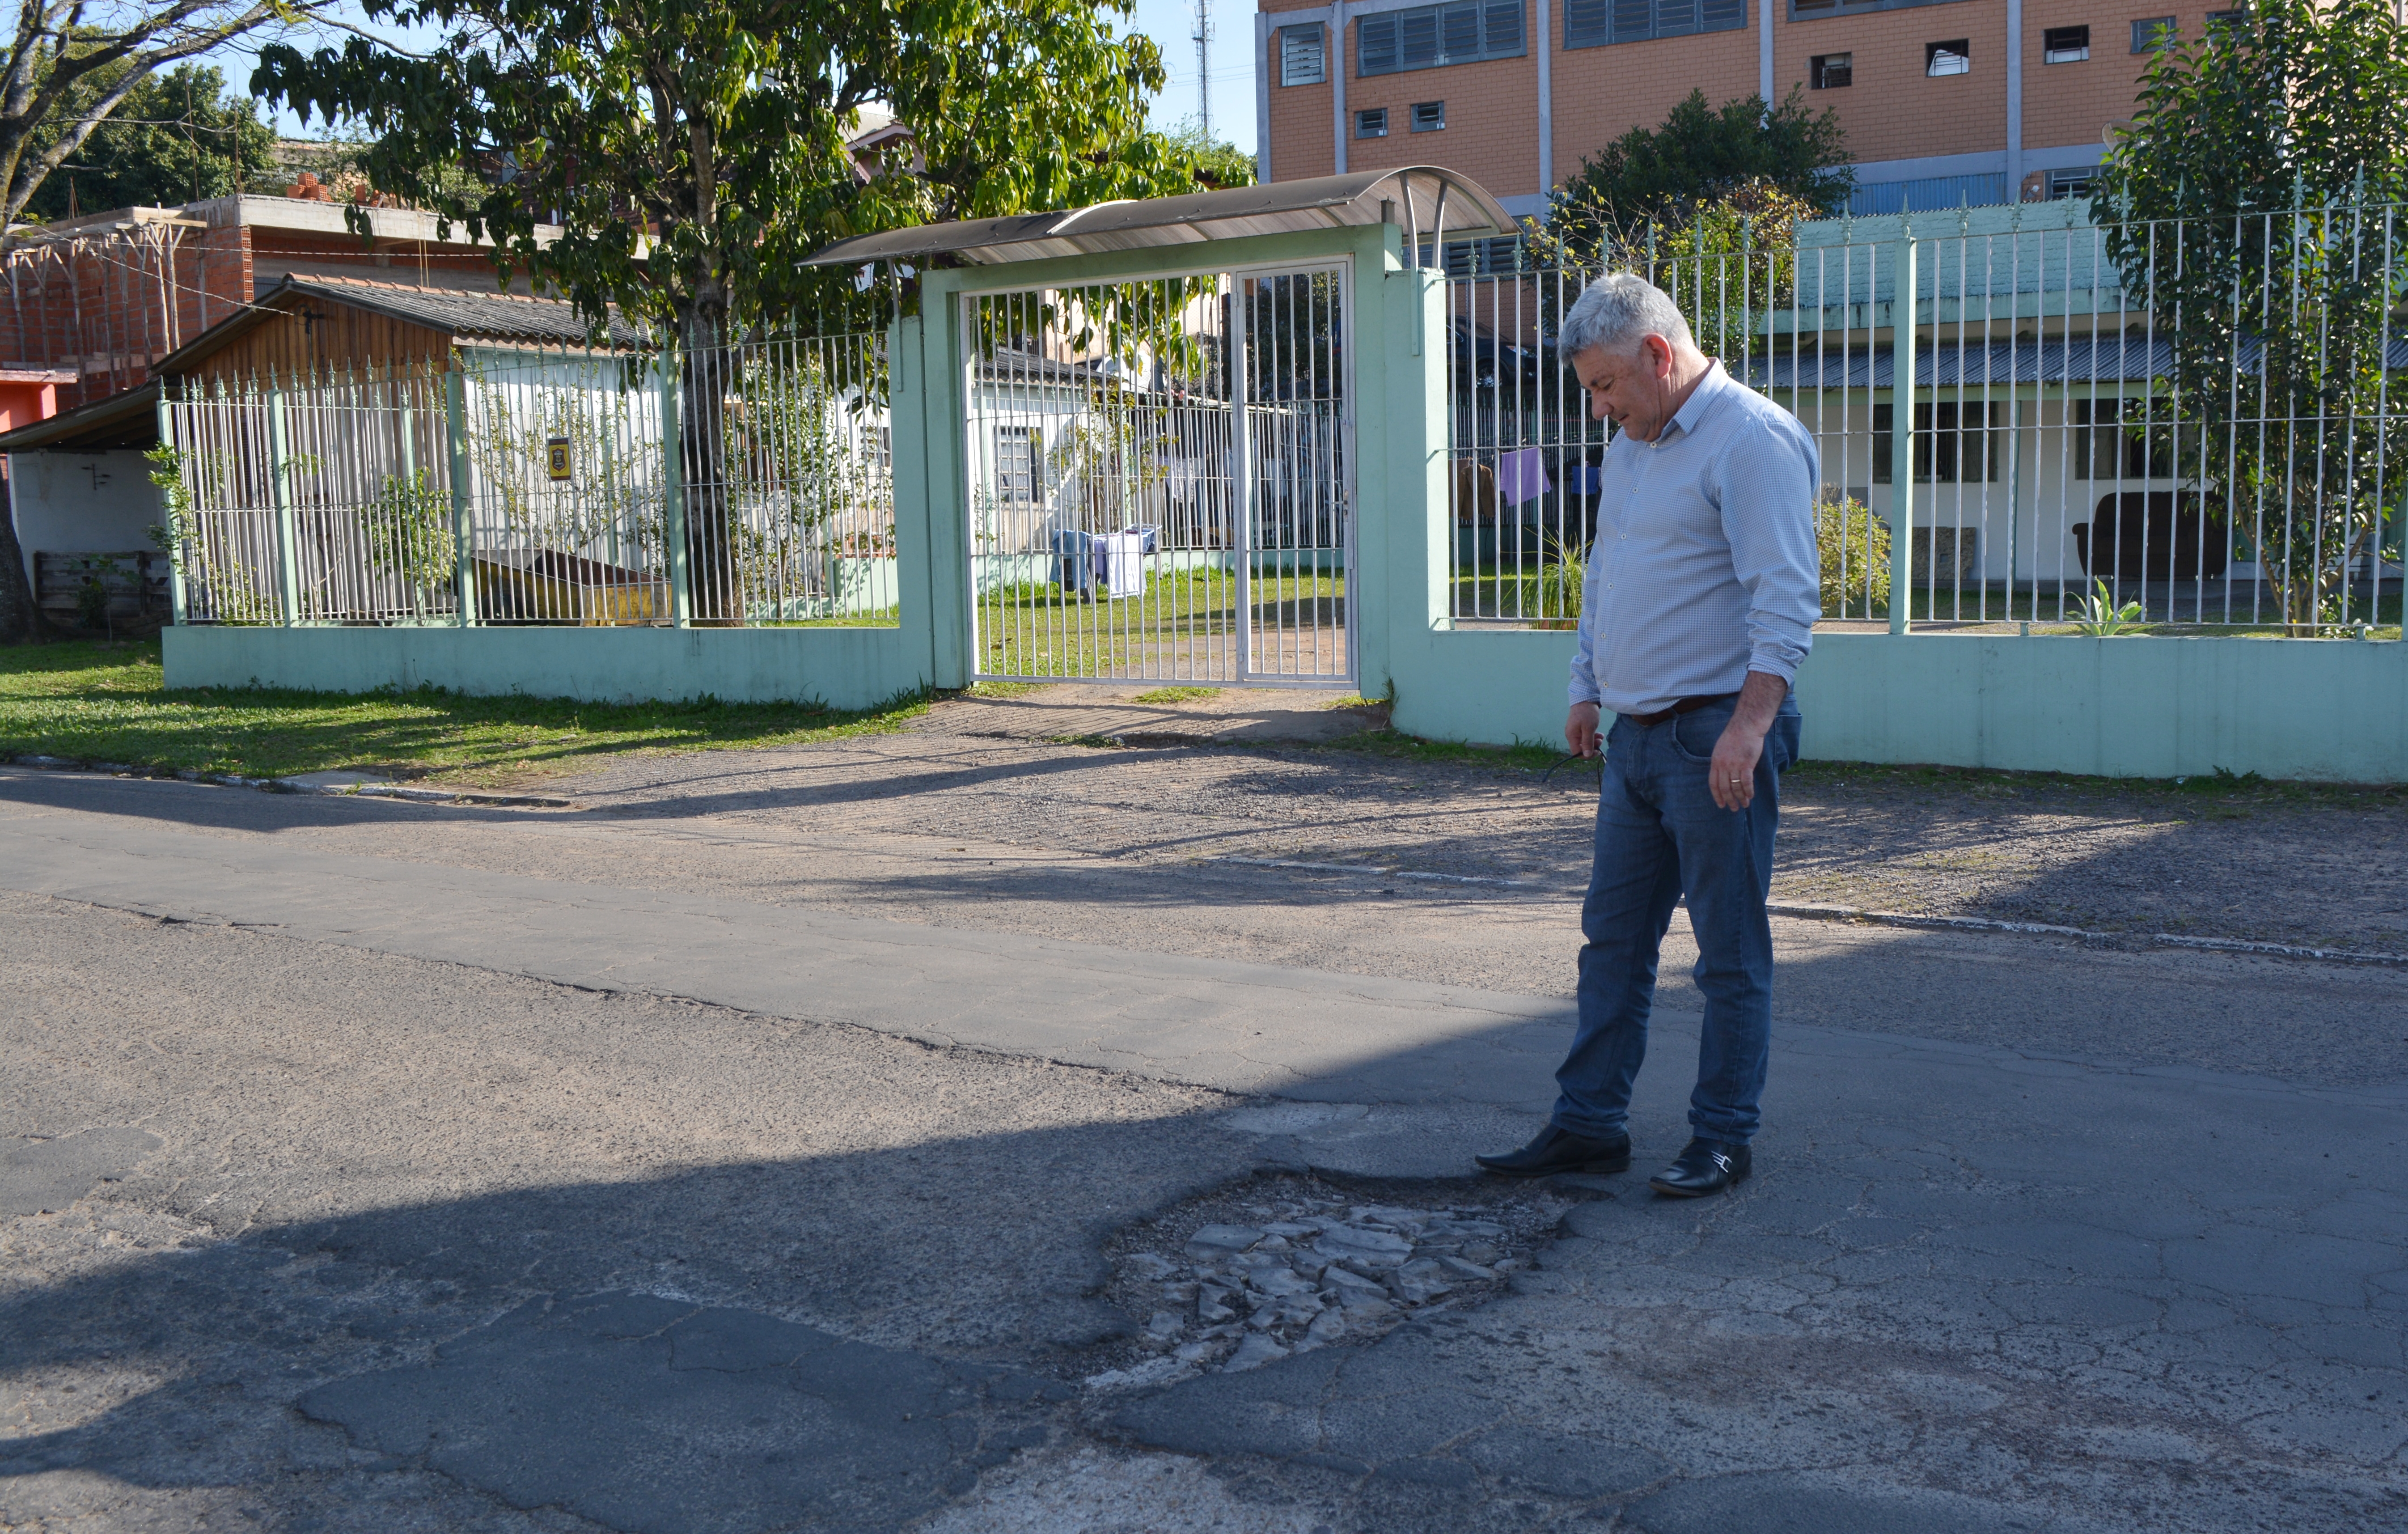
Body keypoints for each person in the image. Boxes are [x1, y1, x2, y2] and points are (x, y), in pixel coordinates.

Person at [1476, 273, 1819, 1198]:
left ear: (1657, 356)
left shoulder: (1751, 440)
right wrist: (1587, 687)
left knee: (1727, 954)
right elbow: (1607, 577)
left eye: (1605, 385)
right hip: (1633, 739)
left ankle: (1720, 1136)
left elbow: (1784, 600)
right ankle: (1588, 1123)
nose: (1598, 407)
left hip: (1714, 735)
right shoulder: (1634, 445)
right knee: (1613, 944)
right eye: (1590, 389)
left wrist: (1747, 729)